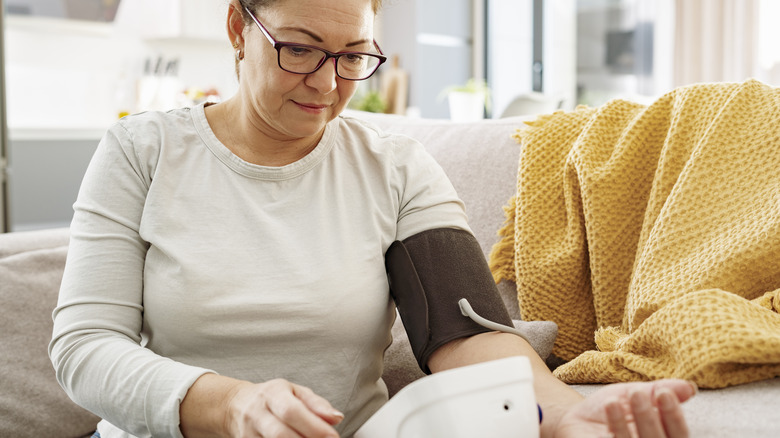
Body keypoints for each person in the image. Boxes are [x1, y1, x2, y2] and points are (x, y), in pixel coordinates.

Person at [48, 0, 696, 437]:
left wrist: (559, 412)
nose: (328, 85)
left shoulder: (393, 166)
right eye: (299, 51)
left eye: (354, 55)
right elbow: (84, 350)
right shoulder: (142, 152)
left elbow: (463, 328)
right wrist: (232, 403)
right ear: (237, 30)